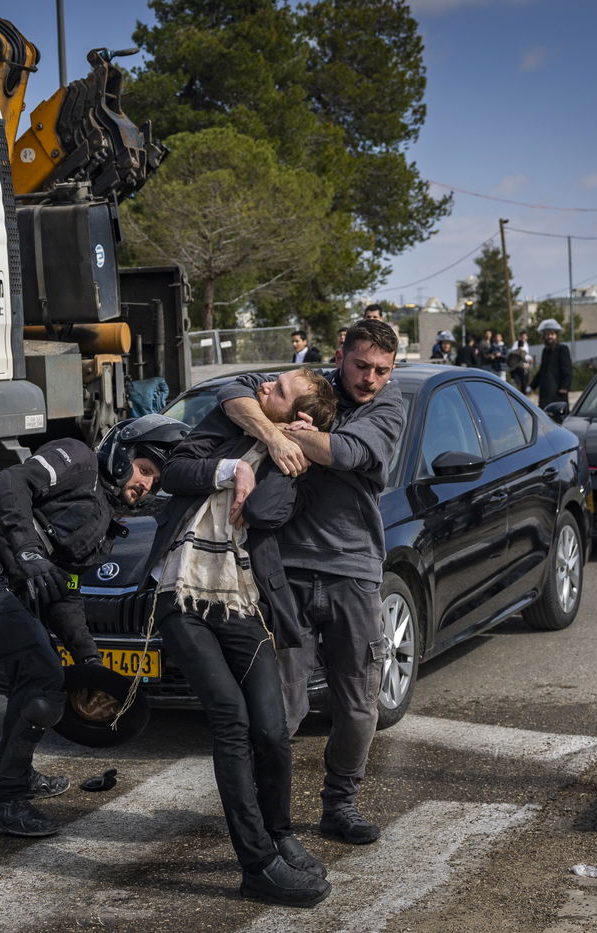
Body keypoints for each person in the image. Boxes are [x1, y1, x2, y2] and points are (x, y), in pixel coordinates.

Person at [0, 414, 187, 837]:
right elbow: (10, 483)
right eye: (145, 470)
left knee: (39, 675)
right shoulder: (77, 459)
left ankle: (15, 775)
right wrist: (27, 550)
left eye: (155, 480)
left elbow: (66, 594)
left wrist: (92, 664)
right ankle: (3, 799)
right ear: (121, 456)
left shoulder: (103, 527)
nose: (147, 484)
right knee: (42, 675)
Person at [143, 370, 336, 907]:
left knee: (272, 731)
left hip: (240, 598)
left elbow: (267, 512)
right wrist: (232, 467)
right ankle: (257, 866)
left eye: (279, 389)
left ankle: (280, 835)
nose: (267, 386)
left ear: (296, 417)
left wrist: (278, 454)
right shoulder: (226, 423)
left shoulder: (291, 464)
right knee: (231, 720)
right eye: (273, 380)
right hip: (179, 596)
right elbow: (173, 471)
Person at [216, 318, 406, 847]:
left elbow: (348, 453)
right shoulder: (308, 384)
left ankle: (340, 804)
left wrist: (301, 436)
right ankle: (263, 812)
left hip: (354, 570)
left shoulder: (388, 406)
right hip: (287, 571)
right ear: (341, 352)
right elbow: (232, 393)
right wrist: (276, 435)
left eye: (382, 371)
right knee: (282, 700)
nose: (370, 379)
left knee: (358, 698)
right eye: (362, 365)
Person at [532, 318, 573, 408]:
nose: (549, 336)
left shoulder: (562, 349)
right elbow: (542, 371)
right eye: (547, 334)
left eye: (552, 334)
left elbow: (567, 370)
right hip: (545, 393)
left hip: (558, 394)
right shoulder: (545, 351)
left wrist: (564, 387)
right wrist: (532, 386)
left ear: (556, 335)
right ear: (544, 336)